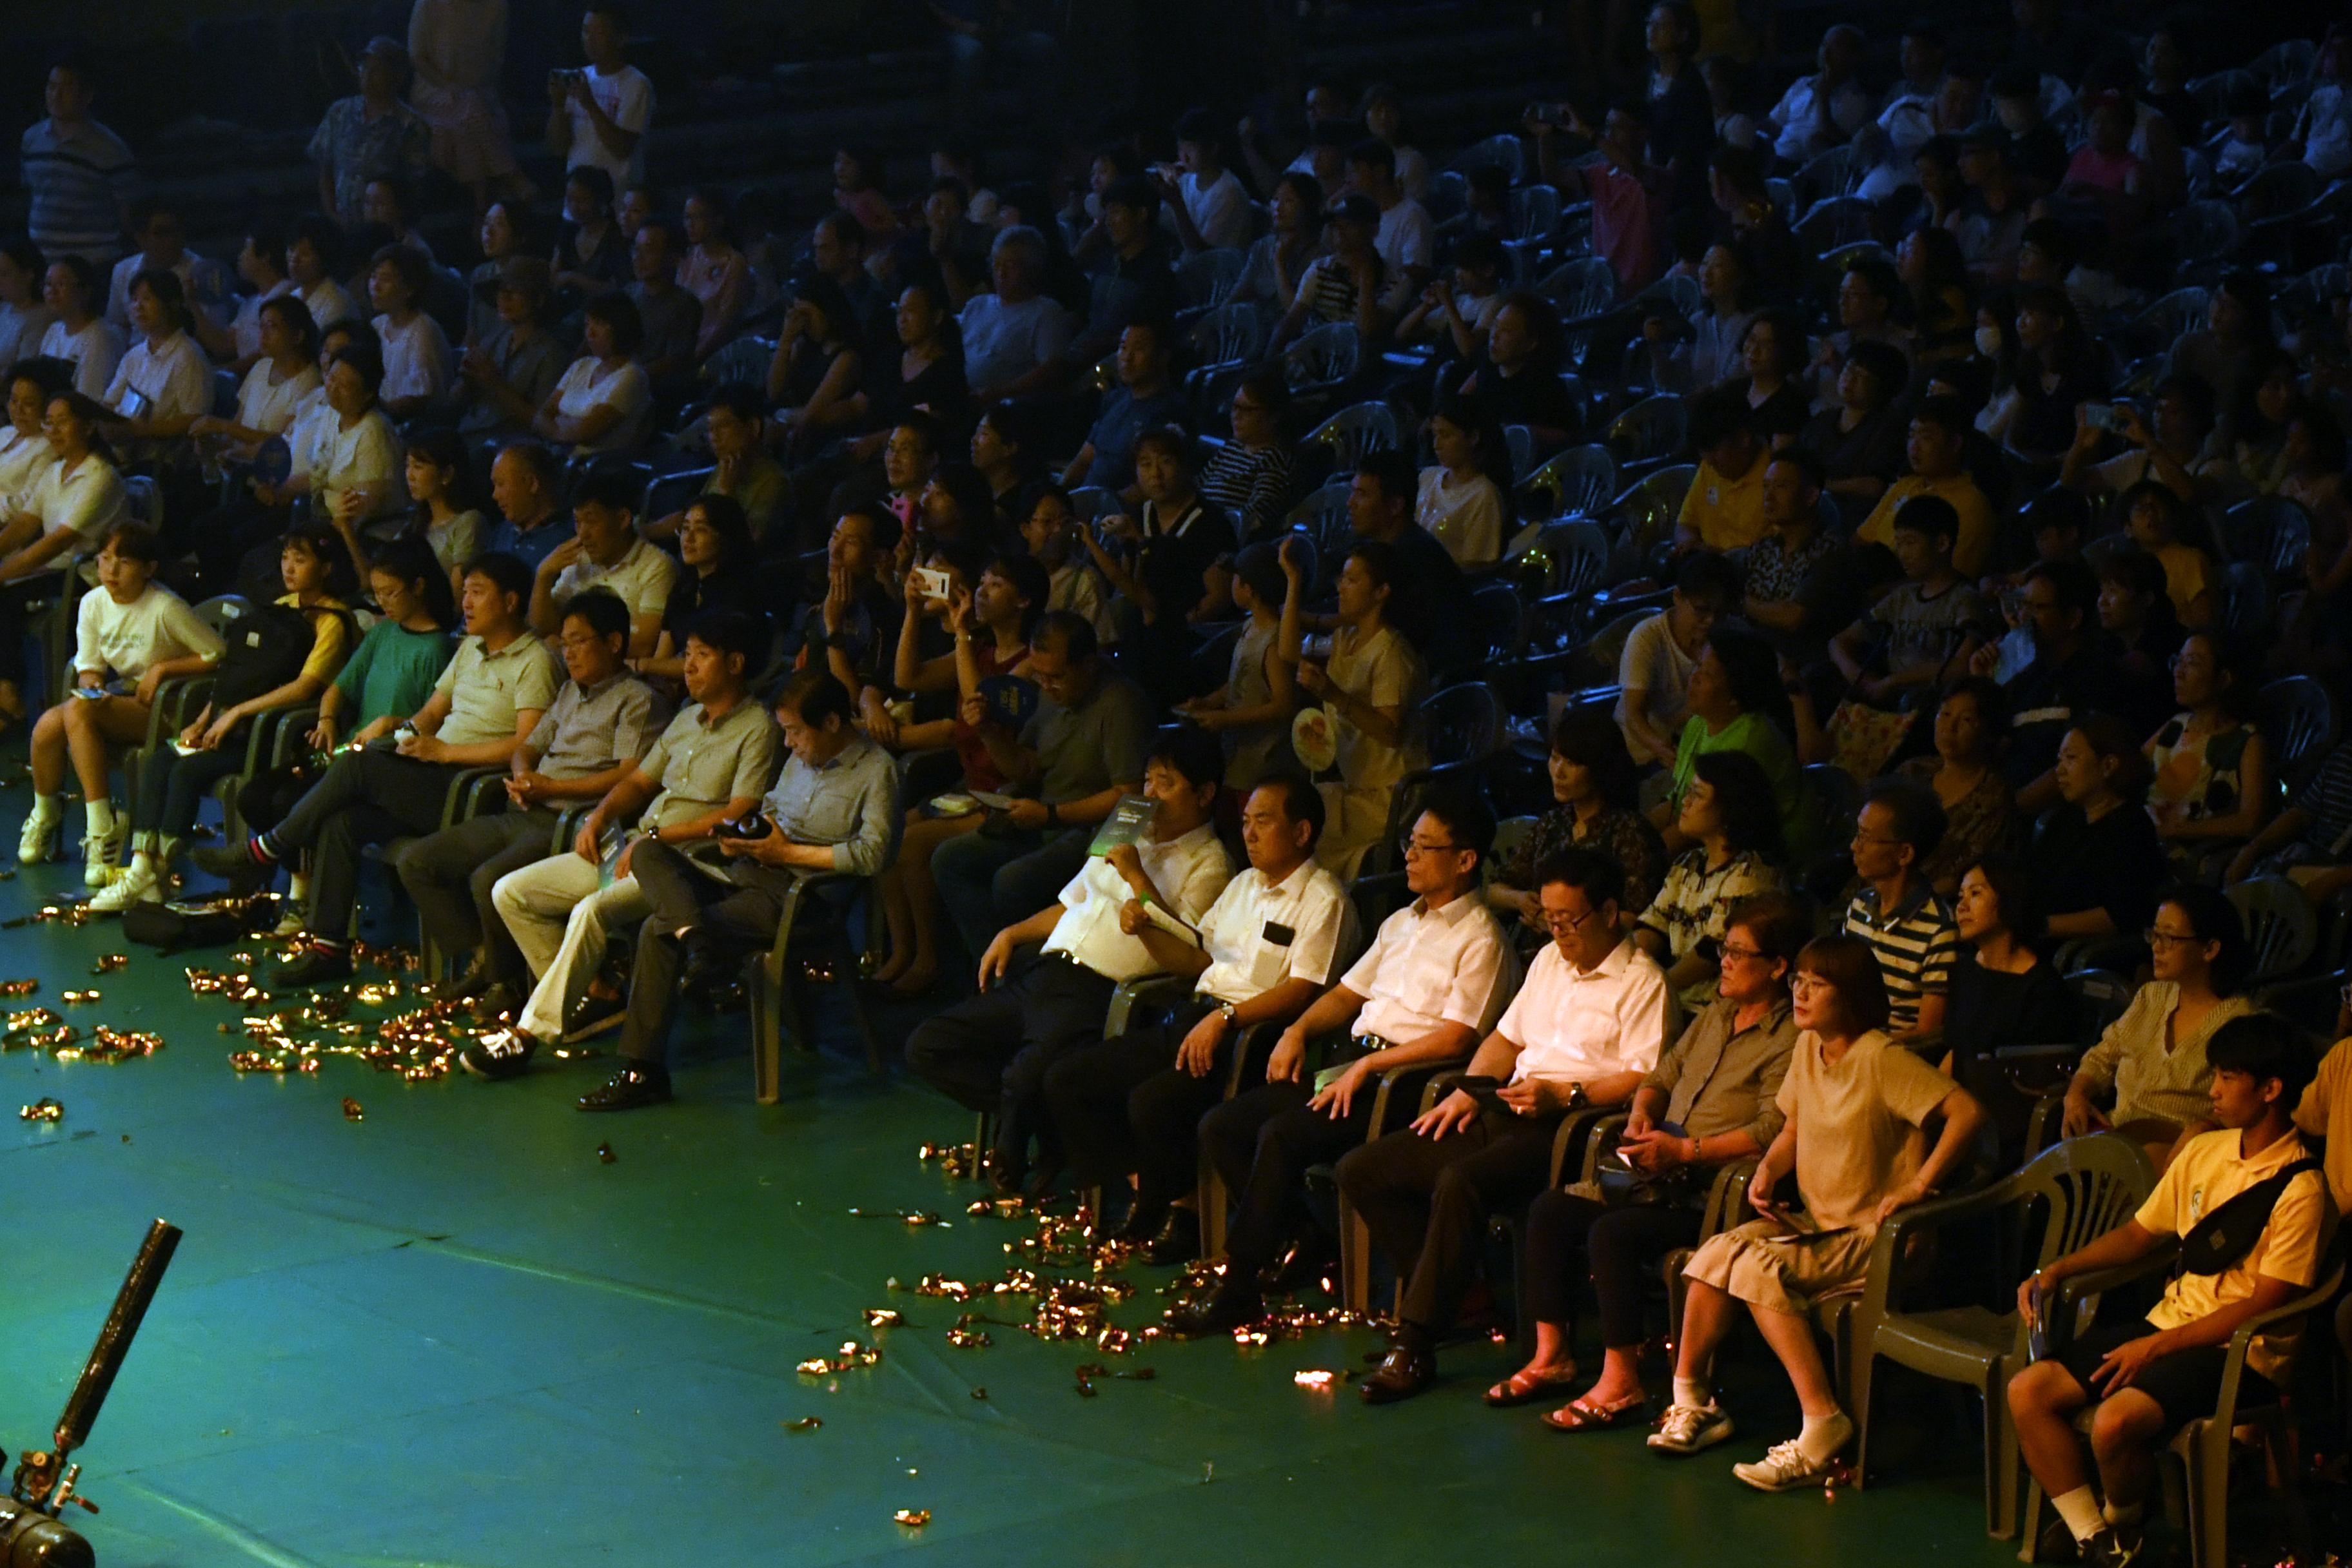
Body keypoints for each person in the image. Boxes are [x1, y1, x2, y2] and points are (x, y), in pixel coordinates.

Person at [1340, 847, 1674, 1402]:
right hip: (1508, 1105)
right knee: (1366, 1169)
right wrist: (1469, 1091)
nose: (1559, 932)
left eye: (1571, 920)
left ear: (1611, 912)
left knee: (1460, 1181)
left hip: (1569, 1129)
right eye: (1550, 919)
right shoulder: (1547, 962)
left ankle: (1417, 1339)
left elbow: (1644, 1076)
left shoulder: (1644, 984)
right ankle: (1463, 1297)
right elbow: (1505, 1039)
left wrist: (1567, 1094)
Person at [1177, 792, 1517, 1335]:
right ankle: (1304, 1236)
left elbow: (1457, 1039)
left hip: (1403, 1081)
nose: (1409, 856)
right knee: (1224, 1125)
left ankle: (1239, 1284)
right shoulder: (1401, 923)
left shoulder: (1482, 938)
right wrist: (1297, 1029)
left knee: (1283, 1136)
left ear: (1466, 860)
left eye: (1425, 847)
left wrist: (1368, 1071)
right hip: (1351, 1063)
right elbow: (1345, 995)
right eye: (1410, 844)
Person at [1656, 934, 1986, 1489]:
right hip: (1818, 1225)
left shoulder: (1882, 1058)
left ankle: (1823, 1423)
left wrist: (1921, 1185)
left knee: (1758, 1270)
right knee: (1715, 1255)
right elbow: (1791, 1125)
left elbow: (1966, 1112)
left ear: (1852, 994)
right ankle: (1693, 1400)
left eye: (1817, 983)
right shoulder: (1810, 1048)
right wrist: (1768, 1170)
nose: (1801, 993)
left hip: (1877, 1236)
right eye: (1799, 981)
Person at [2009, 1015, 2331, 1568]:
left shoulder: (2302, 1187)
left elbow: (2263, 1304)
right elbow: (2140, 1233)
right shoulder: (2206, 1151)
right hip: (2167, 1325)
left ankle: (2122, 1518)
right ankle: (2098, 1538)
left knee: (2114, 1422)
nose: (2214, 1091)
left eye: (2229, 1078)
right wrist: (2057, 1270)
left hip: (2237, 1355)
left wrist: (2154, 1349)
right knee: (2028, 1392)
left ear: (2271, 1089)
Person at [1502, 892, 1808, 1427]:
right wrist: (1643, 1113)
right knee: (1551, 1210)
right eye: (1723, 950)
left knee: (1612, 1234)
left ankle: (1621, 1382)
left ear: (1778, 967)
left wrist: (1686, 1150)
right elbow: (1661, 1076)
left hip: (1711, 1189)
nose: (1725, 964)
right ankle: (1553, 1356)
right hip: (1659, 1170)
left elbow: (1770, 1130)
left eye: (1738, 954)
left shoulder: (1789, 1039)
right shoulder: (1717, 1013)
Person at [193, 553, 557, 982]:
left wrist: (445, 754)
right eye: (464, 594)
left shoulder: (536, 661)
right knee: (343, 822)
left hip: (469, 788)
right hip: (430, 770)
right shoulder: (471, 650)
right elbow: (430, 715)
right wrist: (402, 732)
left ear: (512, 601)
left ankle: (267, 849)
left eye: (478, 593)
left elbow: (524, 746)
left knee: (359, 768)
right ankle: (329, 949)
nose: (467, 604)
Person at [551, 667, 899, 1110]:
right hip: (749, 874)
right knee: (648, 851)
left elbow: (874, 855)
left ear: (831, 722)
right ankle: (696, 939)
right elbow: (772, 807)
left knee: (656, 933)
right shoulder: (801, 759)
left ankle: (645, 1070)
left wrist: (785, 854)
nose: (788, 745)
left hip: (800, 898)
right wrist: (748, 834)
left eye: (794, 732)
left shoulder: (877, 772)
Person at [1043, 774, 1357, 1263]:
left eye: (1264, 821)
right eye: (1247, 821)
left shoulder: (1324, 900)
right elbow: (1198, 959)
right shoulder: (1241, 885)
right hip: (1197, 1016)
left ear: (1301, 832)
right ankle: (1153, 1190)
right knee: (1071, 1079)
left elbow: (1303, 992)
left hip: (1250, 1037)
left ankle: (1183, 1215)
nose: (1249, 833)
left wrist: (1227, 1020)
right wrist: (1147, 932)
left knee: (1154, 1103)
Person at [906, 725, 1235, 1190]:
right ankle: (1042, 1125)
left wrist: (1137, 876)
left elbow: (1185, 946)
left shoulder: (1210, 862)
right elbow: (1072, 901)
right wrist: (1011, 932)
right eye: (1147, 781)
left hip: (1097, 991)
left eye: (1167, 783)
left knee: (1025, 1076)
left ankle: (1020, 1135)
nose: (1152, 794)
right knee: (930, 1045)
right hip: (1046, 970)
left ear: (1204, 794)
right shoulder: (1129, 834)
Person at [475, 609, 773, 1051]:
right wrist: (599, 816)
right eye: (687, 653)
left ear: (735, 664)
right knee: (511, 892)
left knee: (591, 911)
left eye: (702, 655)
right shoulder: (687, 718)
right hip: (638, 845)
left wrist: (657, 841)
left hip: (690, 866)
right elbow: (637, 782)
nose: (688, 665)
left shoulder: (759, 727)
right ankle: (593, 993)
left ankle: (533, 1032)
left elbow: (739, 813)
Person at [398, 587, 656, 1008]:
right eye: (565, 642)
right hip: (524, 807)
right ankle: (486, 961)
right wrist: (524, 777)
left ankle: (507, 983)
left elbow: (628, 775)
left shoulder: (637, 700)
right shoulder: (570, 692)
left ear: (613, 643)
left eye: (579, 641)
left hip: (571, 822)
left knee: (488, 880)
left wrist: (553, 788)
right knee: (419, 861)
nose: (568, 653)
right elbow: (527, 747)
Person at [95, 527, 356, 911]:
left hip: (272, 736)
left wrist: (235, 714)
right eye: (285, 557)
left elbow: (303, 690)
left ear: (328, 567)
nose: (288, 567)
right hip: (230, 725)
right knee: (163, 759)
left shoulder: (332, 621)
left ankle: (161, 870)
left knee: (186, 773)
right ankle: (140, 867)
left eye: (301, 560)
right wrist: (204, 719)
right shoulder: (279, 606)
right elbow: (235, 676)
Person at [933, 612, 1152, 966]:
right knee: (951, 859)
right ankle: (989, 964)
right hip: (1043, 816)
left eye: (1057, 677)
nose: (1047, 686)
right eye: (1040, 676)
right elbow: (1027, 766)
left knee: (1013, 880)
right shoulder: (1051, 696)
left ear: (1088, 665)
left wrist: (1051, 814)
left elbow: (1129, 794)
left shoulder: (1120, 705)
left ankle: (1025, 972)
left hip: (1090, 832)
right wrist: (988, 731)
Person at [870, 552, 1043, 996]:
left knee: (913, 844)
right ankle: (901, 950)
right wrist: (912, 612)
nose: (981, 593)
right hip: (970, 790)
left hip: (1007, 796)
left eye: (995, 585)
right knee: (890, 832)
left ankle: (931, 960)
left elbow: (976, 706)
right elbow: (908, 674)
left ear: (1023, 600)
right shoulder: (978, 650)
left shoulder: (1030, 661)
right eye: (980, 583)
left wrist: (962, 630)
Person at [19, 525, 224, 879]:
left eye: (124, 562)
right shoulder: (93, 603)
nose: (111, 571)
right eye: (105, 560)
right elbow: (89, 666)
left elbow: (218, 653)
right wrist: (93, 684)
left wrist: (164, 669)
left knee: (76, 712)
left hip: (171, 708)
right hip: (126, 699)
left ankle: (102, 828)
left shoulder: (165, 607)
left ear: (149, 568)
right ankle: (46, 813)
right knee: (48, 726)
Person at [2064, 886, 2256, 1174]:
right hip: (2116, 1139)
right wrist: (2077, 1093)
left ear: (2210, 949)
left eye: (2169, 938)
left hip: (2178, 1158)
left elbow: (2241, 1112)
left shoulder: (2239, 1022)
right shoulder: (2151, 998)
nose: (2156, 946)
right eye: (2154, 935)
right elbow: (2102, 1056)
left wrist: (2204, 1129)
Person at [1277, 537, 1424, 881]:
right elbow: (1288, 652)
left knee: (1300, 831)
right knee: (1289, 812)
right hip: (1355, 785)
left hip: (1390, 793)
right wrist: (1294, 581)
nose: (1341, 587)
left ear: (1381, 591)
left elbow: (1391, 731)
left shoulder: (1390, 653)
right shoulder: (1346, 637)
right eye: (1342, 578)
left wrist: (1333, 693)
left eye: (1353, 580)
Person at [0, 391, 127, 727]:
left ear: (86, 428)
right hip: (54, 570)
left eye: (62, 423)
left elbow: (59, 541)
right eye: (49, 424)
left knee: (6, 594)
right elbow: (25, 524)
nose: (53, 431)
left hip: (86, 576)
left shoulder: (100, 475)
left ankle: (9, 689)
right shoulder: (54, 471)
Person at [1634, 750, 1786, 1009]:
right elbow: (1654, 925)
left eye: (1698, 794)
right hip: (1673, 997)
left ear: (1729, 809)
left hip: (1712, 1008)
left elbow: (1709, 956)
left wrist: (1654, 988)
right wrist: (1629, 969)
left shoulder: (1750, 874)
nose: (1686, 801)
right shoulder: (1688, 863)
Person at [1489, 707, 1667, 925]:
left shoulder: (1630, 832)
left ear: (1600, 769)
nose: (1558, 772)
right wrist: (1519, 899)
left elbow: (1642, 919)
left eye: (1572, 764)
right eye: (1555, 758)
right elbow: (1493, 889)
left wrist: (1564, 923)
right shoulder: (1552, 823)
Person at [1827, 495, 1987, 727]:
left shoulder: (1964, 600)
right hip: (1888, 698)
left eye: (1910, 542)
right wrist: (1862, 680)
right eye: (1899, 543)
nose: (1902, 553)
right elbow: (1839, 642)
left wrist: (1893, 682)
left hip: (1932, 706)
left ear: (1942, 544)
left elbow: (1962, 665)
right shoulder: (1902, 598)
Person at [1655, 630, 1800, 854]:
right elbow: (1678, 803)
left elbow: (1700, 826)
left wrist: (1639, 859)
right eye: (1698, 666)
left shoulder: (1747, 742)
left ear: (1737, 693)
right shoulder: (1699, 723)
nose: (1694, 677)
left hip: (1765, 854)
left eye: (1709, 674)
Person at [1843, 779, 1957, 1047]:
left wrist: (1867, 1048)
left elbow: (1927, 1032)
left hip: (1892, 1055)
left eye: (1865, 838)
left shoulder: (1938, 928)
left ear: (1904, 854)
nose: (1854, 846)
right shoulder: (1859, 906)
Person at [1175, 542, 1296, 790]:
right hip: (1240, 758)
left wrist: (1228, 719)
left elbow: (1284, 705)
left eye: (1236, 578)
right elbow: (1243, 677)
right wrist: (1209, 703)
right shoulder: (1251, 628)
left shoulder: (1273, 641)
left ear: (1248, 589)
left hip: (1264, 765)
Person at [2035, 717, 2166, 943]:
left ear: (2108, 765)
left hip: (2079, 952)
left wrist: (2040, 926)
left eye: (2071, 758)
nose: (2060, 770)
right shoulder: (2064, 819)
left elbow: (2122, 915)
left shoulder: (2131, 827)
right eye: (2060, 760)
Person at [527, 462, 675, 659]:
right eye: (577, 522)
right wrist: (544, 575)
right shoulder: (578, 558)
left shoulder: (656, 565)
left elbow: (643, 647)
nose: (582, 534)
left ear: (623, 519)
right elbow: (542, 629)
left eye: (591, 521)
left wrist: (568, 648)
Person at [2146, 631, 2268, 865]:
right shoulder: (2175, 727)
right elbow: (2130, 768)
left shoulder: (2247, 742)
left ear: (2224, 678)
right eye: (2179, 661)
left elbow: (2249, 821)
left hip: (2192, 858)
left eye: (2192, 663)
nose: (2179, 672)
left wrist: (2177, 830)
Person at [1617, 551, 1738, 769]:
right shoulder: (1648, 637)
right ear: (1678, 597)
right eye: (1702, 610)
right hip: (1644, 753)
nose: (1711, 621)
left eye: (1720, 613)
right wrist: (1663, 749)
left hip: (1697, 749)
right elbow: (1633, 712)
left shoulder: (1729, 635)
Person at [1740, 448, 1860, 666]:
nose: (1769, 496)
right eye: (1766, 486)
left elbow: (1793, 617)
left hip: (1805, 667)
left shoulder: (1831, 551)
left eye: (1781, 487)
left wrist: (1739, 603)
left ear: (1811, 496)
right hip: (1755, 656)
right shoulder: (1763, 548)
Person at [1893, 677, 2014, 895]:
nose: (1950, 727)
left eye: (1966, 720)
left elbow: (1964, 876)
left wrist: (1906, 899)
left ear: (1988, 733)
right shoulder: (1912, 772)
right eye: (1945, 714)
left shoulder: (1992, 797)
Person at [20, 52, 135, 267]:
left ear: (87, 95)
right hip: (42, 261)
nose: (56, 95)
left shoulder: (109, 148)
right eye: (52, 87)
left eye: (66, 88)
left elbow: (127, 211)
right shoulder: (31, 139)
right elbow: (31, 195)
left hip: (93, 262)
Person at [407, 0, 522, 210]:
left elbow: (496, 57)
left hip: (479, 91)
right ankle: (509, 174)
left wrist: (474, 86)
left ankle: (481, 204)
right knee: (470, 110)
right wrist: (450, 87)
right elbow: (417, 56)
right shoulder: (427, 5)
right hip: (434, 93)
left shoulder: (496, 6)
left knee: (465, 124)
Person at [310, 37, 429, 230]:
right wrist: (332, 215)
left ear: (396, 77)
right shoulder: (339, 112)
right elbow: (325, 168)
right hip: (343, 227)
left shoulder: (411, 125)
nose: (368, 75)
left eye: (377, 70)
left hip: (385, 230)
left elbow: (414, 186)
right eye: (364, 67)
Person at [642, 495, 758, 683]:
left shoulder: (739, 593)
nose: (689, 538)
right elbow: (661, 657)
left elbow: (710, 665)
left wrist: (641, 664)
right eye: (685, 529)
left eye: (701, 530)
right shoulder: (685, 587)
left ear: (725, 537)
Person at [1062, 320, 1184, 497]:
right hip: (1084, 502)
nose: (1127, 357)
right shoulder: (1114, 398)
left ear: (1162, 356)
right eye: (1124, 347)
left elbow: (1150, 486)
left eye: (1139, 349)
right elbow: (1084, 459)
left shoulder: (1170, 412)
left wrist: (1102, 510)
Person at [457, 255, 565, 443]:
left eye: (515, 291)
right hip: (470, 433)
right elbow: (455, 400)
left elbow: (544, 423)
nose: (504, 298)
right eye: (501, 291)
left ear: (538, 300)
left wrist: (493, 383)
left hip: (508, 445)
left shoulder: (550, 352)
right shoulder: (495, 338)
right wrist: (465, 380)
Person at [959, 228, 1073, 404]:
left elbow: (1053, 370)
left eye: (1010, 266)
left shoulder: (1046, 313)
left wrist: (998, 393)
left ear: (1032, 269)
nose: (1001, 274)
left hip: (1005, 410)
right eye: (997, 265)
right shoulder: (977, 305)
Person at [546, 3, 652, 192]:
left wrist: (590, 104)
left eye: (599, 33)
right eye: (586, 32)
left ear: (621, 39)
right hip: (576, 204)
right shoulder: (579, 78)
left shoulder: (636, 84)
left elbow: (622, 149)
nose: (590, 40)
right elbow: (558, 148)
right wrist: (557, 105)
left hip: (616, 201)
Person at [1796, 339, 1908, 510]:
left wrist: (1822, 486)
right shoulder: (1823, 420)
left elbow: (1875, 485)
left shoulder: (1889, 429)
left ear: (1883, 387)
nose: (1850, 378)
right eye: (1849, 369)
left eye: (1862, 375)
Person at [1195, 370, 1294, 543]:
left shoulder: (1272, 460)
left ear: (1273, 417)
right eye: (1235, 407)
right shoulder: (1232, 447)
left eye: (1247, 410)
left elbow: (1253, 518)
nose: (1236, 416)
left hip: (1220, 539)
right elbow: (1199, 486)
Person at [1415, 393, 1507, 569]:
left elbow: (1476, 564)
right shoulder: (1427, 477)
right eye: (1435, 435)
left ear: (1473, 437)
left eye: (1446, 435)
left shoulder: (1483, 496)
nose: (1437, 445)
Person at [366, 246, 452, 422]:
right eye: (374, 277)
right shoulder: (377, 326)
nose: (376, 286)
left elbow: (420, 397)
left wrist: (376, 409)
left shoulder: (422, 330)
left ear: (409, 289)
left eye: (385, 279)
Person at [1155, 108, 1252, 252]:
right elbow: (1163, 222)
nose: (1184, 157)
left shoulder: (1228, 193)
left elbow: (1202, 253)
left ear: (1213, 148)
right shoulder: (1187, 179)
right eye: (1181, 149)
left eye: (1191, 150)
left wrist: (1177, 204)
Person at [627, 217, 701, 402]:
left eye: (649, 250)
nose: (639, 257)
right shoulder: (628, 294)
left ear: (673, 258)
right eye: (636, 249)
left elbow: (675, 360)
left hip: (653, 392)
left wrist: (626, 380)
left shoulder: (684, 304)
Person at [36, 255, 124, 401]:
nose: (52, 290)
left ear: (85, 291)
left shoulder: (99, 337)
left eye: (61, 284)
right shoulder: (54, 330)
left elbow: (88, 397)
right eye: (48, 283)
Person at [480, 441, 570, 574]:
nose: (495, 495)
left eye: (501, 484)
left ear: (532, 483)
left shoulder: (566, 540)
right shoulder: (502, 533)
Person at [553, 166, 631, 304]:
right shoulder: (568, 233)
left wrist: (573, 278)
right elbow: (554, 277)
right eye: (570, 200)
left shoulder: (615, 236)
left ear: (599, 199)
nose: (574, 207)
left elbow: (623, 288)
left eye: (582, 200)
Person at [288, 218, 360, 335]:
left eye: (305, 254)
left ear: (324, 258)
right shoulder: (293, 297)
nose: (294, 259)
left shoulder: (336, 304)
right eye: (291, 250)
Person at [0, 239, 55, 372]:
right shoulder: (5, 308)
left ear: (28, 275)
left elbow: (22, 374)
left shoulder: (41, 318)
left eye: (4, 274)